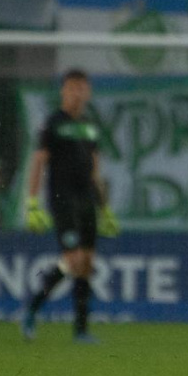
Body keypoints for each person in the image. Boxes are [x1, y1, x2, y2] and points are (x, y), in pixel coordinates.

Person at [21, 69, 119, 343]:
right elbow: (39, 161)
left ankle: (81, 330)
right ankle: (32, 309)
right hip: (62, 199)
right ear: (64, 90)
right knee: (73, 260)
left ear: (87, 92)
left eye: (82, 87)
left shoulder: (89, 126)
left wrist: (105, 208)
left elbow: (96, 172)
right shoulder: (52, 122)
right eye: (72, 87)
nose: (77, 92)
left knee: (86, 263)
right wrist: (32, 201)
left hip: (86, 198)